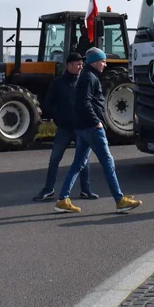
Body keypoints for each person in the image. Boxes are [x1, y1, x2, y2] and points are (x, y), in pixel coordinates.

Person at [54, 47, 142, 214]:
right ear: (94, 62)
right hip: (91, 128)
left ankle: (62, 199)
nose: (105, 64)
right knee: (108, 162)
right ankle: (119, 200)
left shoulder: (86, 76)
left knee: (78, 163)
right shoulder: (89, 78)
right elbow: (84, 102)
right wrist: (97, 122)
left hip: (82, 127)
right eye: (102, 61)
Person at [32, 52, 97, 201]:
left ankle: (85, 190)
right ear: (69, 65)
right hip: (64, 128)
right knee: (55, 158)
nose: (80, 67)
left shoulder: (84, 81)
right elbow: (48, 104)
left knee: (84, 160)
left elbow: (91, 101)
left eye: (82, 64)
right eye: (77, 64)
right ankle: (48, 189)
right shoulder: (57, 83)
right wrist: (59, 118)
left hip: (81, 127)